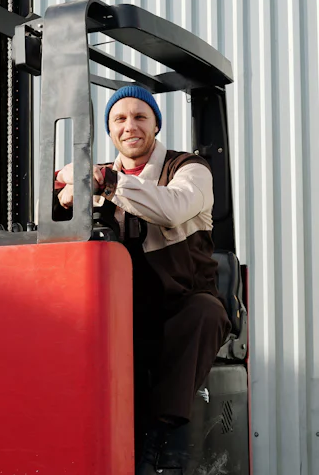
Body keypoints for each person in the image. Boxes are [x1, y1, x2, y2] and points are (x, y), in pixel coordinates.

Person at [54, 85, 230, 473]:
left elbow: (172, 208)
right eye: (120, 118)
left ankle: (162, 434)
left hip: (180, 304)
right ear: (110, 130)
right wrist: (59, 196)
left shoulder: (188, 169)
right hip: (123, 312)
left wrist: (105, 183)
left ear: (156, 123)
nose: (129, 126)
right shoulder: (97, 175)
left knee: (205, 313)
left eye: (139, 116)